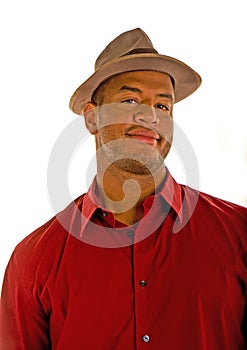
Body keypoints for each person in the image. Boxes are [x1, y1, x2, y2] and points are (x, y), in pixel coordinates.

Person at [0, 27, 247, 350]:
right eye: (130, 100)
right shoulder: (34, 258)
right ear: (92, 119)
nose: (149, 116)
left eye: (163, 106)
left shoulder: (239, 233)